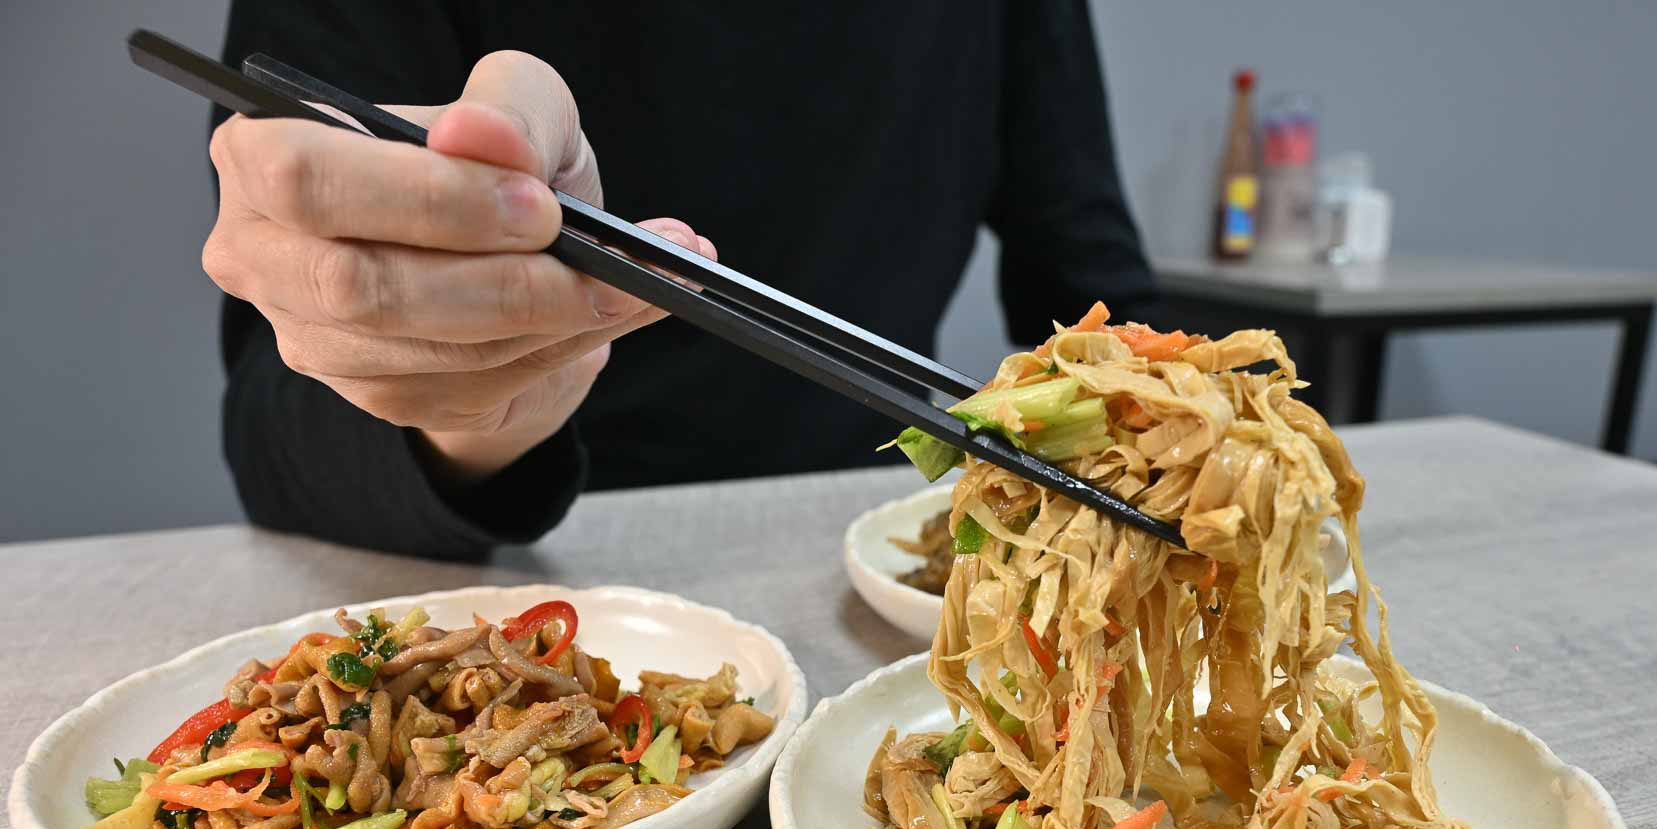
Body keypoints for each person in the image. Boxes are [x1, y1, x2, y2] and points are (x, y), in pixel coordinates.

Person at [206, 2, 1161, 560]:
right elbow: (279, 422)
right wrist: (474, 404)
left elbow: (1100, 299)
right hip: (546, 566)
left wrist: (1215, 438)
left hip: (886, 542)